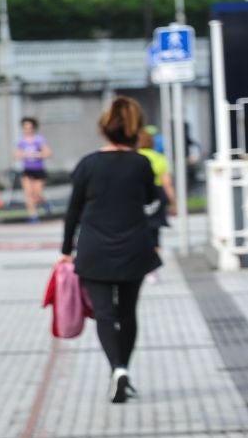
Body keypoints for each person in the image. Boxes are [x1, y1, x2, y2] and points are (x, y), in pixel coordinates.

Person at [59, 97, 160, 404]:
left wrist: (66, 249)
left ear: (104, 130)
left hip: (95, 250)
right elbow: (149, 200)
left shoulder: (88, 164)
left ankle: (116, 369)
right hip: (134, 248)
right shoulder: (141, 163)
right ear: (133, 130)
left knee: (104, 314)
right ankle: (124, 368)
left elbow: (73, 211)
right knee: (128, 313)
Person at [136, 126, 177, 261]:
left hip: (137, 196)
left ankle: (142, 258)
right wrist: (173, 202)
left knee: (138, 230)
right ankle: (153, 262)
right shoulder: (159, 158)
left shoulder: (134, 157)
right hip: (156, 196)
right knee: (154, 231)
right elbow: (167, 183)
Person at [15, 117, 52, 223]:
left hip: (38, 170)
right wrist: (24, 154)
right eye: (25, 128)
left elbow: (48, 153)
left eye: (29, 128)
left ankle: (45, 203)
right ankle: (33, 216)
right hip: (27, 170)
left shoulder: (39, 140)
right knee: (28, 194)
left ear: (34, 128)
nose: (27, 130)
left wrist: (37, 154)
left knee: (37, 194)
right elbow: (16, 155)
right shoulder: (21, 141)